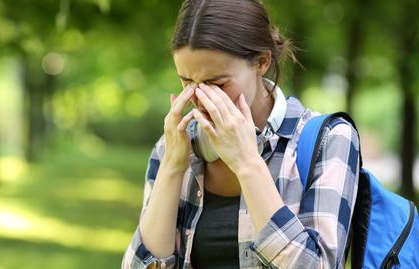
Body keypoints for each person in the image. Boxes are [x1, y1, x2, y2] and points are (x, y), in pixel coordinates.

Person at [122, 0, 360, 268]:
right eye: (187, 82)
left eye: (217, 83)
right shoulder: (174, 147)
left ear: (261, 62)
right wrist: (172, 167)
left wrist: (247, 163)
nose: (200, 98)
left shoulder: (329, 139)